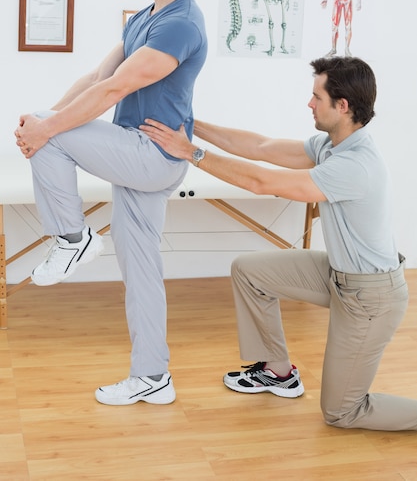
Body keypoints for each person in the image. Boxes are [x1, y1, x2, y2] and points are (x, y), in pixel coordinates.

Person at [139, 56, 417, 431]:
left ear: (343, 106)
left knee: (341, 412)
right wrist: (190, 125)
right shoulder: (331, 145)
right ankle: (277, 371)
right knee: (250, 272)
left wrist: (190, 152)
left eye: (316, 97)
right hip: (339, 274)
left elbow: (262, 182)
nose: (309, 104)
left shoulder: (355, 166)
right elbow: (262, 146)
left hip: (370, 298)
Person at [15, 0, 207, 406]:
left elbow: (121, 87)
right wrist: (47, 122)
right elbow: (99, 78)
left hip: (152, 154)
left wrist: (46, 128)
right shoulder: (143, 19)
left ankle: (72, 237)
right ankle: (153, 377)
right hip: (137, 153)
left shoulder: (182, 22)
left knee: (52, 131)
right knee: (141, 271)